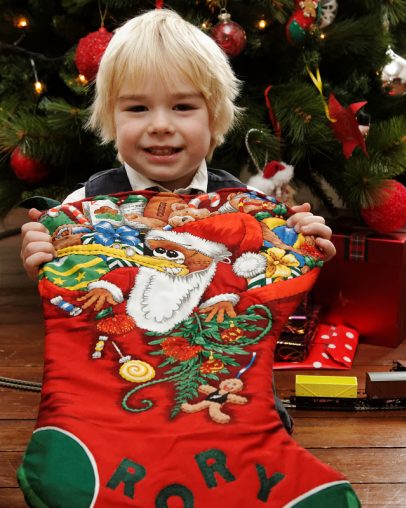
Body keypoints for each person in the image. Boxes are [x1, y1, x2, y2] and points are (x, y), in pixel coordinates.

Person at [19, 8, 336, 434]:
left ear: (214, 117)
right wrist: (40, 261)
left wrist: (307, 245)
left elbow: (273, 280)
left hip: (224, 372)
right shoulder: (85, 206)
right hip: (119, 377)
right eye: (138, 108)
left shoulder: (249, 208)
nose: (161, 125)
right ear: (111, 117)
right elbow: (70, 291)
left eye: (183, 107)